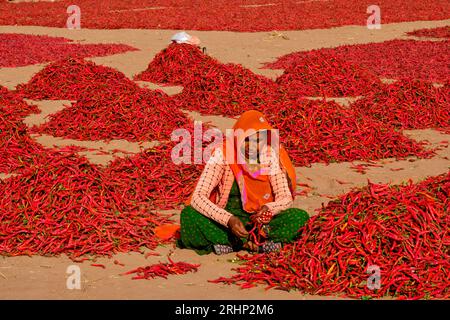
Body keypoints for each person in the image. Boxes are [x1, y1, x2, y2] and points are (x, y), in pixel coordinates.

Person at [178, 110, 309, 255]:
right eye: (246, 140)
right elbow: (198, 197)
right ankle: (244, 243)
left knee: (300, 217)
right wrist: (228, 219)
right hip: (228, 224)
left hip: (261, 224)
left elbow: (285, 196)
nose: (251, 147)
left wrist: (269, 208)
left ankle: (242, 242)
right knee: (188, 215)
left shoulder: (269, 155)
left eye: (257, 141)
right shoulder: (223, 153)